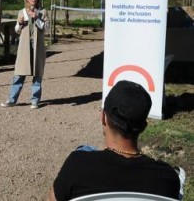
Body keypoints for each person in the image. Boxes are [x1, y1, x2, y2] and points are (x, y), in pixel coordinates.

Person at [48, 80, 183, 201]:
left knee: (84, 149)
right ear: (143, 127)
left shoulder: (77, 165)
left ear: (103, 118)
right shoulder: (167, 178)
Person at [1, 0, 48, 109]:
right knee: (19, 73)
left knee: (37, 73)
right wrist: (20, 24)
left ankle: (35, 100)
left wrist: (37, 18)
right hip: (24, 46)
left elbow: (46, 29)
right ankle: (12, 99)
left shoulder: (43, 12)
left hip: (38, 46)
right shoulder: (21, 12)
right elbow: (17, 30)